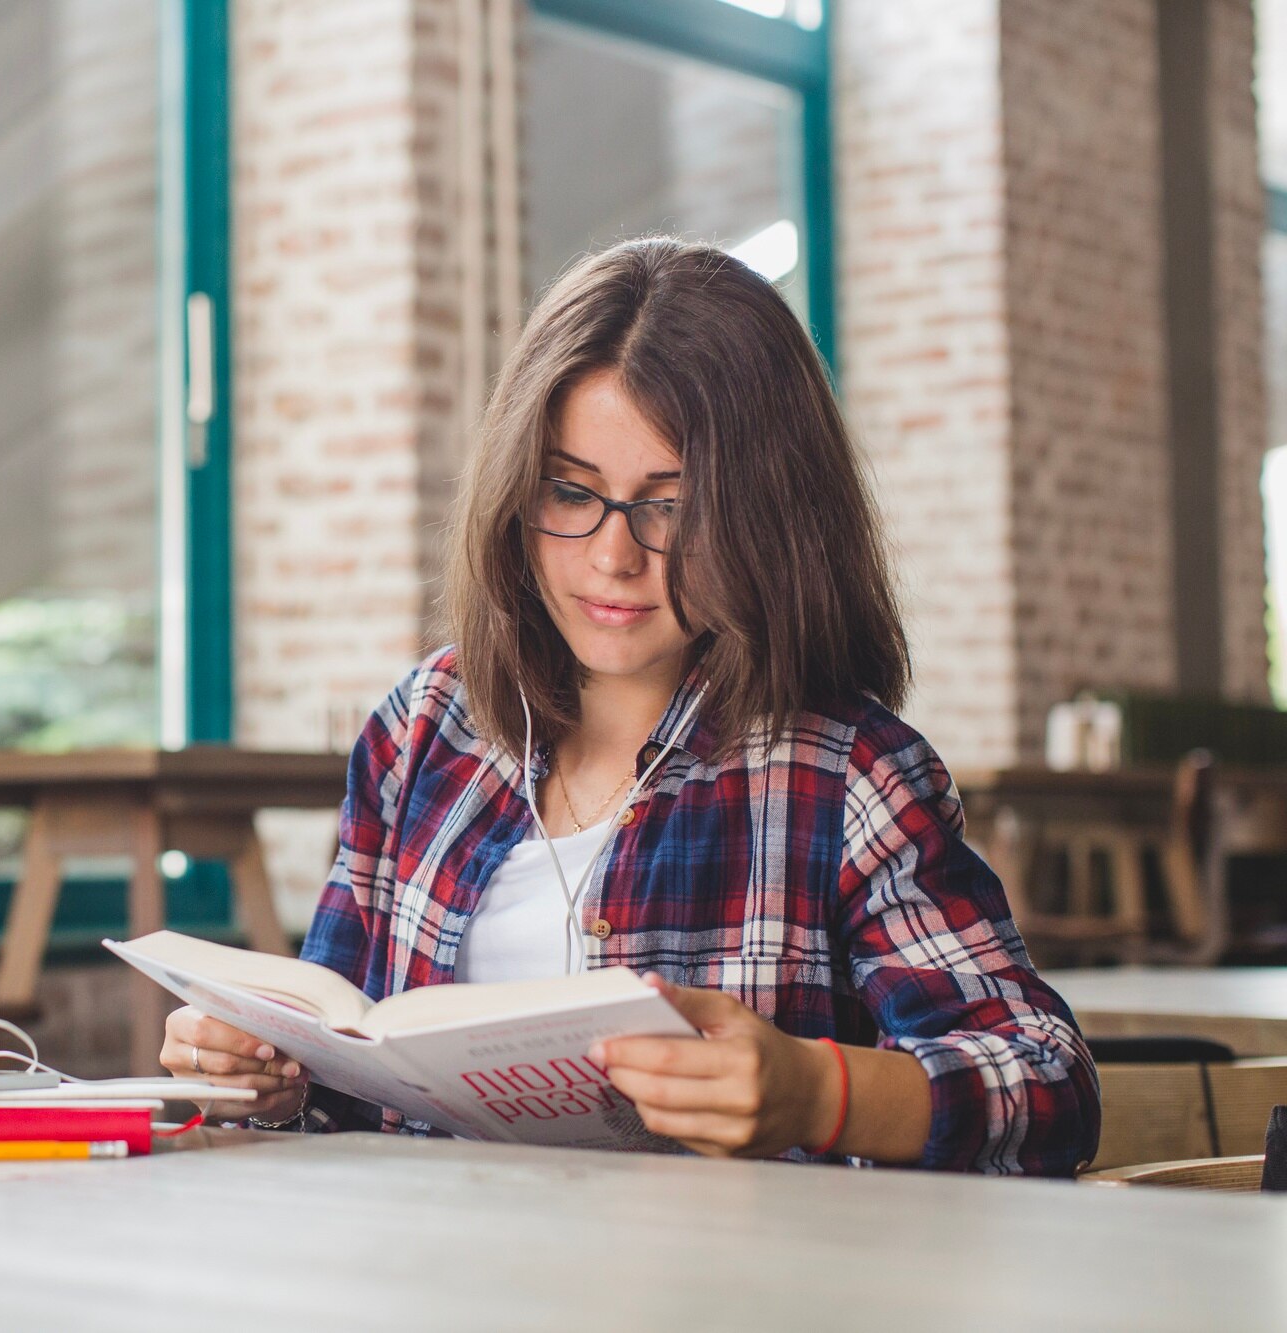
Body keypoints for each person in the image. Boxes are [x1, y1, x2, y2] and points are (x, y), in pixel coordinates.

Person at [160, 237, 1100, 1175]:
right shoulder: (423, 730)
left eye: (671, 505)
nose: (614, 557)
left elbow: (1049, 1088)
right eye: (571, 490)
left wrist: (819, 1092)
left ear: (764, 515)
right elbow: (340, 1066)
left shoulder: (849, 778)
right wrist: (269, 1077)